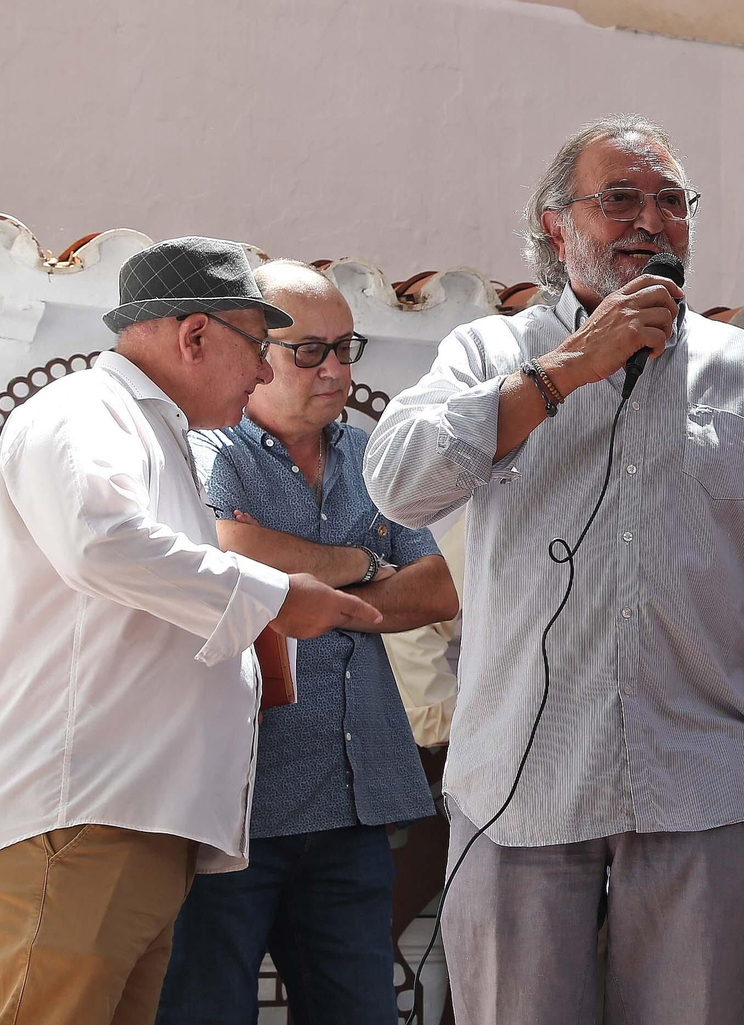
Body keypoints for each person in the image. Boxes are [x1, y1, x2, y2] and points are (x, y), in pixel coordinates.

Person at [362, 114, 744, 1025]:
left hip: (697, 792)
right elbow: (400, 483)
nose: (650, 220)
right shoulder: (486, 352)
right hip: (525, 784)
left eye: (671, 203)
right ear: (558, 227)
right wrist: (565, 371)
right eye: (620, 198)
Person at [0, 237, 380, 1025]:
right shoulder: (87, 411)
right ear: (195, 335)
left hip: (120, 826)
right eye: (259, 345)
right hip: (76, 824)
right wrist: (274, 597)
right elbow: (101, 541)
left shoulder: (155, 433)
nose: (266, 371)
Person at [155, 261, 458, 1023]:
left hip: (353, 802)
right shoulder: (204, 449)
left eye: (346, 347)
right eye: (310, 351)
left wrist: (316, 599)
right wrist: (363, 564)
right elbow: (230, 548)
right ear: (256, 354)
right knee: (205, 1011)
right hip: (236, 808)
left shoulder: (370, 456)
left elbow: (439, 587)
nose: (338, 370)